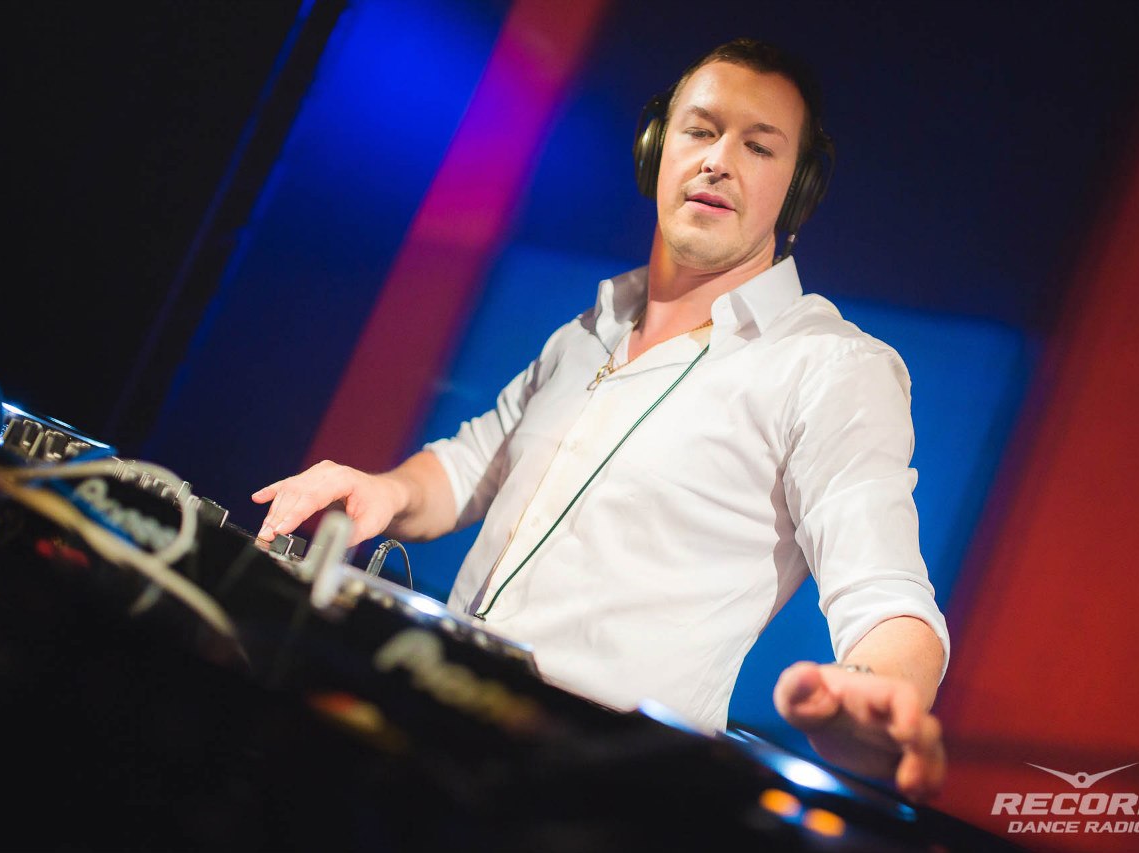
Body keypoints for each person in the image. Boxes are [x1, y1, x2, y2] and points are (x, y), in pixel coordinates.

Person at [254, 38, 948, 801]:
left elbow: (886, 593)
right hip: (429, 730)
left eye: (758, 146)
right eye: (700, 129)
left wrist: (879, 693)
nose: (719, 161)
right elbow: (469, 465)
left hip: (591, 795)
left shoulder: (831, 366)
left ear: (799, 188)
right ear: (656, 148)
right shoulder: (590, 330)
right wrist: (384, 490)